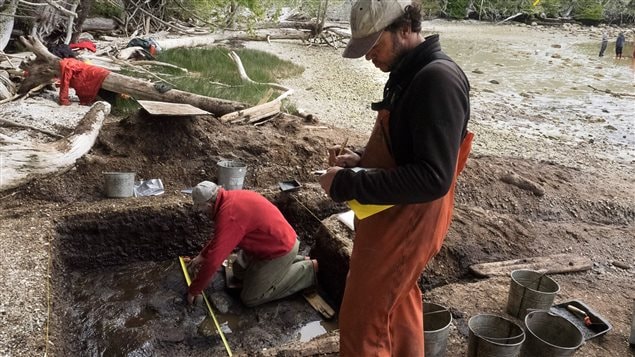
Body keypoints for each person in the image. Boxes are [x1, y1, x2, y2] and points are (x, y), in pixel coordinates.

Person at [318, 1, 473, 355]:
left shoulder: (438, 80)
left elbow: (433, 177)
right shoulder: (408, 74)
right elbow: (408, 151)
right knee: (397, 303)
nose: (370, 55)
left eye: (374, 45)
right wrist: (361, 159)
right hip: (394, 213)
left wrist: (347, 184)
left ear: (404, 29)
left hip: (412, 219)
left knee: (364, 321)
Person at [185, 181, 317, 307]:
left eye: (203, 210)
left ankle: (307, 269)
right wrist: (202, 256)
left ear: (209, 206)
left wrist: (195, 289)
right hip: (271, 242)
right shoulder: (231, 198)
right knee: (238, 272)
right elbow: (221, 238)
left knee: (251, 297)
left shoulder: (229, 216)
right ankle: (291, 262)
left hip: (280, 250)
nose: (204, 214)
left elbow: (214, 261)